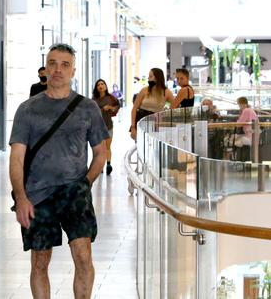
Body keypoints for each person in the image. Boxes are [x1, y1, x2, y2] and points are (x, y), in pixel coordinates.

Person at [9, 43, 109, 299]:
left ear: (73, 70)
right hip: (38, 196)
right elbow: (17, 158)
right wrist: (21, 197)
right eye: (52, 63)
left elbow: (101, 154)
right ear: (45, 68)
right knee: (40, 261)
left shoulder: (87, 108)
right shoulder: (27, 109)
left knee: (83, 257)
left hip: (74, 191)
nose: (58, 70)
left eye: (65, 65)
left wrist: (84, 184)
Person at [130, 68, 174, 140]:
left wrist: (165, 113)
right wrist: (133, 127)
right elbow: (134, 109)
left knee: (153, 145)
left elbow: (175, 105)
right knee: (141, 145)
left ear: (157, 78)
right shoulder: (144, 90)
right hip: (141, 120)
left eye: (150, 76)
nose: (148, 79)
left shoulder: (166, 92)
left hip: (156, 122)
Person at [92, 79, 120, 175]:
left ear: (106, 86)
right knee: (99, 148)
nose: (100, 86)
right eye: (98, 84)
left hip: (108, 126)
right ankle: (100, 166)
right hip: (97, 128)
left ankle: (108, 164)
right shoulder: (94, 100)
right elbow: (92, 113)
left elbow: (117, 105)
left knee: (107, 147)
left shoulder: (111, 98)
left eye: (102, 84)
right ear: (96, 88)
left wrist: (112, 109)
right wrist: (103, 109)